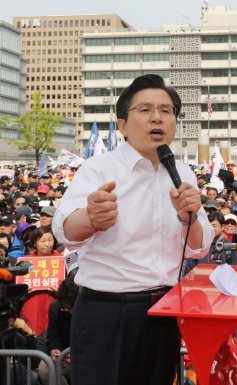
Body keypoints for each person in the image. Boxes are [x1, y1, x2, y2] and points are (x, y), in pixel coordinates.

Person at [52, 74, 213, 385]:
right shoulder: (99, 169)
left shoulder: (182, 172)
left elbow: (199, 246)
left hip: (163, 311)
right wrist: (91, 217)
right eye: (145, 110)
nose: (157, 117)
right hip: (107, 312)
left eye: (166, 111)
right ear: (122, 125)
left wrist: (187, 217)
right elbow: (64, 229)